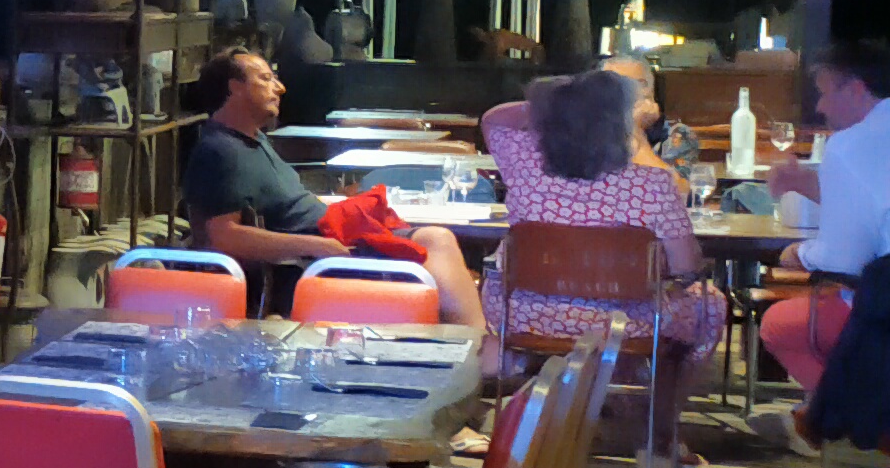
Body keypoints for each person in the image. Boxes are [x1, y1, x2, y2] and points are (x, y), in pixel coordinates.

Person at [181, 50, 484, 326]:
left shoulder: (253, 140)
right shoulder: (219, 151)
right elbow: (224, 236)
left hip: (329, 242)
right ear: (235, 87)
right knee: (437, 240)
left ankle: (470, 340)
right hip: (312, 262)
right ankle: (475, 343)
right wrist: (316, 246)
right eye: (266, 79)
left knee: (434, 239)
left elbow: (285, 202)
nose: (280, 88)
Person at [501, 66, 722, 439]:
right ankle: (656, 427)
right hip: (624, 323)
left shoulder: (524, 172)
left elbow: (495, 118)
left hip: (528, 314)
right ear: (620, 125)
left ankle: (575, 408)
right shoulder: (653, 184)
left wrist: (559, 99)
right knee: (709, 304)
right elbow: (687, 267)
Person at [765, 44, 888, 451]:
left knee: (780, 323)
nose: (819, 106)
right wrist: (808, 185)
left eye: (823, 92)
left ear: (855, 89)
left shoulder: (849, 145)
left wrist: (798, 254)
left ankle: (849, 419)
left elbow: (843, 260)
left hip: (882, 317)